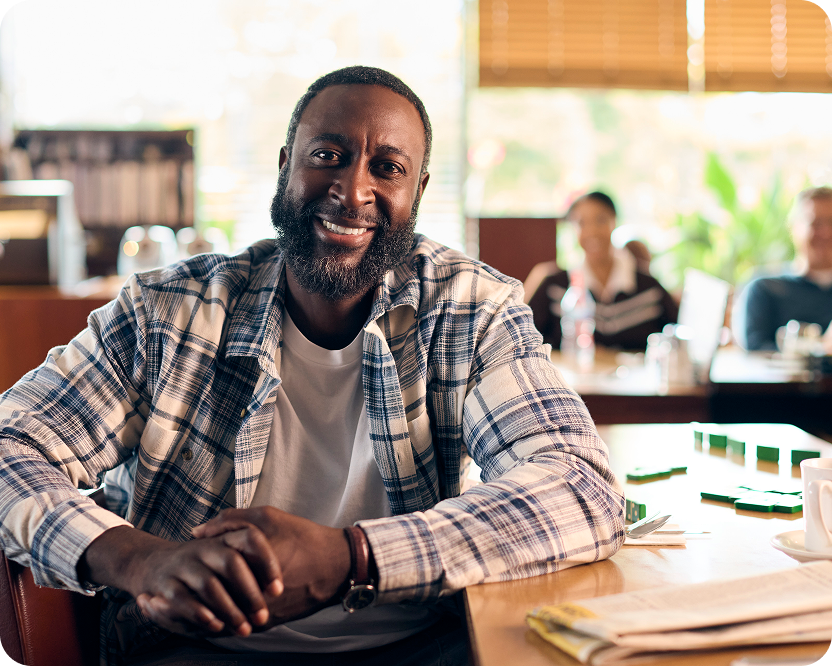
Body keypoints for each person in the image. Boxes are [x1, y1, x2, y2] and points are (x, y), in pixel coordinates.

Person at [0, 66, 624, 666]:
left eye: (387, 168)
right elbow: (10, 446)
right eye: (327, 155)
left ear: (419, 192)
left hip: (419, 649)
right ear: (283, 168)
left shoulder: (468, 310)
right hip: (200, 652)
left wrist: (349, 559)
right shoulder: (169, 314)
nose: (353, 191)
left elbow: (579, 484)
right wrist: (140, 560)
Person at [527, 191, 678, 352]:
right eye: (581, 223)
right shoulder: (555, 287)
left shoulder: (649, 289)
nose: (592, 231)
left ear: (614, 221)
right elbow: (522, 341)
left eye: (600, 220)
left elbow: (677, 337)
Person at [735, 186, 832, 352]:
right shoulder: (764, 289)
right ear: (794, 228)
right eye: (815, 223)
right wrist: (820, 350)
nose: (826, 232)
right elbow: (755, 353)